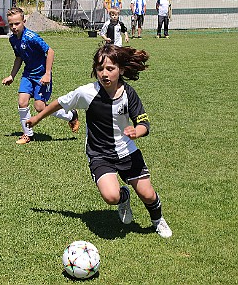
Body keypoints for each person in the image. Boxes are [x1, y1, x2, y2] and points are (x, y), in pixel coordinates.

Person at [26, 44, 173, 238]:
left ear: (120, 70)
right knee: (111, 196)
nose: (104, 73)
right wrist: (37, 118)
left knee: (147, 194)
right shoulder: (87, 93)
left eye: (110, 69)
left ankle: (157, 220)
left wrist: (136, 131)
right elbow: (60, 103)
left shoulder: (129, 94)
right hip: (99, 154)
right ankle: (123, 197)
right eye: (100, 69)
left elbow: (144, 123)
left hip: (127, 151)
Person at [1, 7, 80, 144]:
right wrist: (12, 76)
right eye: (11, 24)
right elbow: (19, 57)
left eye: (17, 23)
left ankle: (71, 115)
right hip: (27, 74)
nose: (14, 27)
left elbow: (50, 52)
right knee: (22, 102)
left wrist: (47, 74)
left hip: (41, 75)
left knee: (40, 107)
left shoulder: (32, 37)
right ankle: (27, 134)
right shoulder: (13, 39)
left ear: (24, 21)